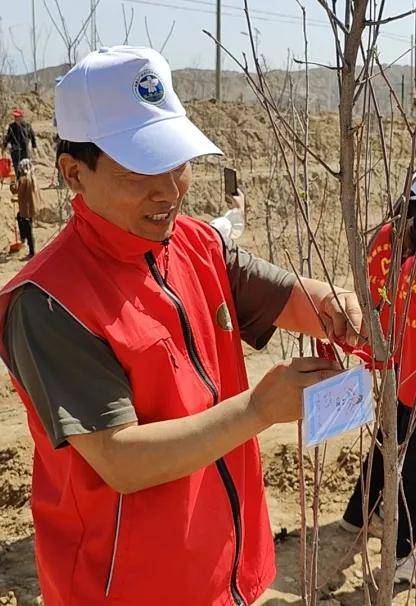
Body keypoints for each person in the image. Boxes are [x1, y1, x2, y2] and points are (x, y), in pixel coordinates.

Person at [0, 47, 363, 606]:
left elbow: (289, 296)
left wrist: (335, 306)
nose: (169, 190)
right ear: (74, 173)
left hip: (221, 568)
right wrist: (261, 409)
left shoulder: (195, 244)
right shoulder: (50, 304)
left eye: (177, 162)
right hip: (126, 587)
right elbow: (121, 458)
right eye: (139, 171)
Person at [341, 181, 416, 585]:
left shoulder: (391, 240)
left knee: (392, 439)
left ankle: (358, 514)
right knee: (408, 457)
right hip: (401, 363)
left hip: (391, 356)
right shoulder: (404, 253)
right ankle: (405, 548)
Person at [9, 159, 38, 258]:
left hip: (26, 209)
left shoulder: (23, 179)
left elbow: (15, 190)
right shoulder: (32, 178)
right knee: (19, 217)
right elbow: (25, 195)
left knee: (28, 229)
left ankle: (31, 251)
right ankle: (24, 238)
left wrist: (12, 181)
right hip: (30, 207)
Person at [2, 109, 37, 177]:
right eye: (14, 116)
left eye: (17, 116)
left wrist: (34, 147)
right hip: (15, 151)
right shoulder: (11, 126)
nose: (15, 118)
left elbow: (32, 137)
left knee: (25, 168)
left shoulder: (27, 126)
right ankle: (19, 183)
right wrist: (4, 147)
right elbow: (7, 138)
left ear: (21, 117)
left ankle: (26, 183)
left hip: (25, 151)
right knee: (17, 168)